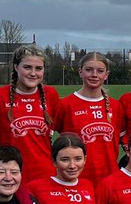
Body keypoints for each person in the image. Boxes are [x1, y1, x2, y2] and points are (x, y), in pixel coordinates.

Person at [0, 45, 61, 184]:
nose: (33, 73)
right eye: (27, 67)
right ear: (16, 67)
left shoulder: (51, 95)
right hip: (8, 176)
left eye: (38, 68)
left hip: (44, 174)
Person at [52, 52, 122, 183]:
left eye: (100, 71)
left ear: (106, 75)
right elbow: (49, 139)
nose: (94, 75)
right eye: (89, 70)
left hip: (110, 179)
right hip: (76, 179)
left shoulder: (116, 106)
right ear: (80, 72)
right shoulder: (65, 105)